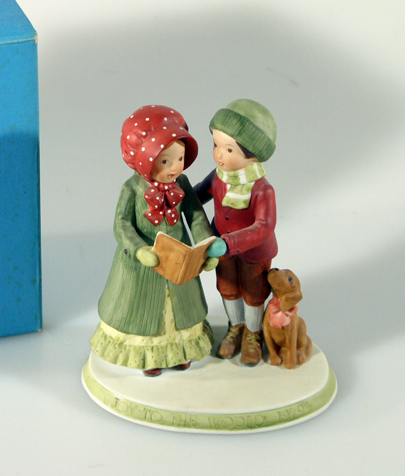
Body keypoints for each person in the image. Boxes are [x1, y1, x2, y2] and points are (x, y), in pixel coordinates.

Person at [90, 105, 225, 377]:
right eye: (165, 162)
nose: (175, 167)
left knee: (181, 305)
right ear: (143, 159)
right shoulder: (131, 189)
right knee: (143, 309)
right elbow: (121, 225)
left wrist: (205, 246)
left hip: (178, 259)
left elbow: (195, 216)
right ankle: (148, 355)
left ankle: (179, 352)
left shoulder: (182, 183)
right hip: (142, 265)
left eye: (180, 159)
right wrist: (140, 250)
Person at [195, 99, 277, 367]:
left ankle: (253, 333)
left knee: (253, 293)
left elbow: (264, 226)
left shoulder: (262, 189)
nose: (219, 155)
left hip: (253, 252)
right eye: (216, 145)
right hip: (222, 248)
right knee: (228, 288)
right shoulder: (218, 176)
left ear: (251, 154)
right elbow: (199, 194)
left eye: (229, 149)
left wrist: (229, 242)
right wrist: (177, 197)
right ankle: (236, 326)